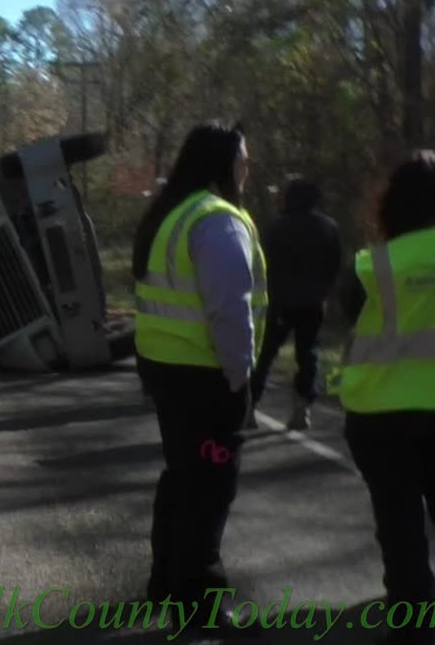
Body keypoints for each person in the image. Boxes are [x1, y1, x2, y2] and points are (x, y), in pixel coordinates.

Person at [132, 121, 267, 634]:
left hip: (166, 370)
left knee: (182, 479)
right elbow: (230, 311)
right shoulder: (218, 220)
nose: (247, 167)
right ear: (223, 163)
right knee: (210, 490)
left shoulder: (170, 214)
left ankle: (165, 582)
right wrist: (241, 378)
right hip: (207, 377)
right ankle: (200, 605)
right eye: (243, 158)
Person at [333, 151, 435, 645]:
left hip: (382, 420)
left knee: (402, 535)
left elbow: (349, 317)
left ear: (393, 205)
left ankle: (416, 636)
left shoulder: (372, 266)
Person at [246, 177, 343, 430]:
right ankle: (302, 409)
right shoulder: (328, 227)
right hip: (313, 301)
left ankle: (249, 407)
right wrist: (324, 291)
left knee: (265, 354)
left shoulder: (276, 228)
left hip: (279, 301)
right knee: (308, 354)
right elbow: (335, 264)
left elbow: (260, 263)